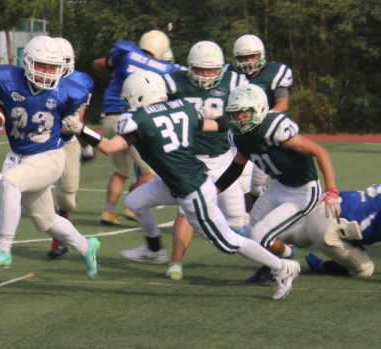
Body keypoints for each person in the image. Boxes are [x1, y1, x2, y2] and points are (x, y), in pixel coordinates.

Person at [62, 70, 301, 300]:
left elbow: (109, 147)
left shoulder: (137, 119)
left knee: (228, 242)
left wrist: (81, 129)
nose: (127, 104)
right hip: (180, 181)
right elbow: (220, 126)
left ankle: (283, 266)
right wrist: (214, 115)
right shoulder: (184, 108)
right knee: (135, 201)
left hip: (191, 189)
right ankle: (155, 250)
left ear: (139, 95)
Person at [0, 35, 100, 280]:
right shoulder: (6, 79)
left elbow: (75, 124)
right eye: (42, 65)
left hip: (49, 156)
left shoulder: (70, 89)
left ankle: (3, 249)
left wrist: (78, 130)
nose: (48, 72)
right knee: (47, 222)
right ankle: (86, 247)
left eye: (53, 67)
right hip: (21, 157)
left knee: (10, 182)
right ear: (27, 62)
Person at [215, 83, 340, 284]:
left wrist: (332, 191)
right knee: (248, 237)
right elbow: (236, 167)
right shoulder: (240, 136)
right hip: (279, 185)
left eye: (245, 112)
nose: (239, 117)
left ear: (259, 109)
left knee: (260, 237)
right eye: (235, 112)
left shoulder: (275, 128)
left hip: (303, 191)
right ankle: (284, 255)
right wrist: (214, 191)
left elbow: (320, 151)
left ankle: (281, 264)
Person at [162, 41, 247, 280]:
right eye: (201, 69)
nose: (207, 75)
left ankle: (269, 249)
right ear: (190, 67)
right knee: (185, 211)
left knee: (236, 221)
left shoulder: (235, 82)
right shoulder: (173, 82)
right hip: (188, 159)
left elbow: (248, 108)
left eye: (212, 70)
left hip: (222, 158)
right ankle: (175, 263)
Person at [92, 30, 179, 225]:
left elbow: (98, 63)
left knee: (121, 170)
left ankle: (108, 212)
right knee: (150, 169)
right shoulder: (166, 68)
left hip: (109, 117)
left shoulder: (126, 52)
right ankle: (131, 207)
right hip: (135, 118)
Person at [225, 34, 294, 214]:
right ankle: (245, 217)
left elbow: (282, 103)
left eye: (252, 56)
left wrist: (263, 121)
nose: (248, 62)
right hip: (238, 134)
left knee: (257, 184)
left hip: (263, 133)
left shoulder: (274, 73)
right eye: (243, 57)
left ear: (261, 55)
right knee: (241, 179)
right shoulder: (229, 74)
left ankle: (259, 214)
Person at [47, 37, 95, 260]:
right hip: (37, 142)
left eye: (62, 61)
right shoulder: (30, 79)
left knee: (67, 200)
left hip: (66, 143)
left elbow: (75, 124)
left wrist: (87, 146)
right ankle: (57, 240)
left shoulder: (80, 82)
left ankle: (61, 233)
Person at [279, 184, 380, 277]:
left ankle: (268, 238)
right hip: (329, 229)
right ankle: (320, 265)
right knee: (366, 269)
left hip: (327, 206)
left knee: (288, 236)